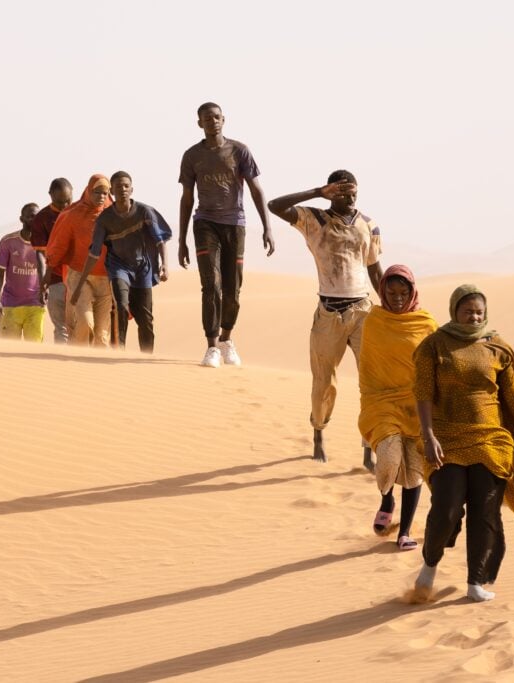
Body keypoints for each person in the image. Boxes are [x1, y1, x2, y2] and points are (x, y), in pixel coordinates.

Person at [411, 284, 514, 602]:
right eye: (468, 311)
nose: (474, 317)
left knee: (485, 511)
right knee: (446, 508)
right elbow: (421, 392)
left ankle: (476, 581)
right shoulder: (434, 345)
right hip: (447, 438)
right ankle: (430, 564)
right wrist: (428, 435)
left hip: (491, 440)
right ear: (454, 311)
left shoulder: (497, 347)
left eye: (479, 312)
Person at [268, 171, 383, 462]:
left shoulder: (369, 225)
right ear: (332, 192)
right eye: (342, 192)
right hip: (329, 312)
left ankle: (368, 448)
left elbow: (375, 269)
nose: (349, 197)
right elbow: (275, 206)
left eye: (352, 191)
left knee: (371, 382)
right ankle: (318, 433)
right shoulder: (313, 220)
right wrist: (318, 192)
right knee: (323, 383)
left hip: (362, 311)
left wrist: (393, 308)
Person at [178, 102, 275, 368]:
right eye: (207, 119)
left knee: (233, 289)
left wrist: (267, 226)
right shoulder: (191, 156)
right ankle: (211, 347)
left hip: (235, 224)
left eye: (217, 117)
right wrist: (181, 240)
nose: (213, 122)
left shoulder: (239, 151)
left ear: (224, 119)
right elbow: (187, 199)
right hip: (205, 223)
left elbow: (256, 190)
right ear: (199, 123)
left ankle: (226, 339)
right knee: (211, 285)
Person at [357, 265, 437, 551]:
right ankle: (387, 496)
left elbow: (437, 362)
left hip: (418, 406)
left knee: (414, 471)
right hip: (381, 402)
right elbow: (368, 369)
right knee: (389, 458)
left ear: (412, 291)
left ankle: (404, 532)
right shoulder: (374, 321)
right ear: (382, 291)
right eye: (391, 292)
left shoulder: (425, 322)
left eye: (403, 292)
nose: (398, 298)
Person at [69, 171, 172, 353]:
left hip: (143, 269)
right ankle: (120, 351)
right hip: (119, 267)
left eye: (126, 186)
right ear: (112, 193)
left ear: (132, 189)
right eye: (118, 187)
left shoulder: (144, 211)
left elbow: (160, 240)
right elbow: (94, 254)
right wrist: (77, 288)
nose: (122, 189)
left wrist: (165, 265)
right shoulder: (105, 219)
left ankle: (146, 356)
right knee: (122, 306)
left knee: (145, 318)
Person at [48, 174, 113, 346]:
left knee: (102, 333)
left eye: (105, 193)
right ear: (88, 191)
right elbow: (59, 243)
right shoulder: (73, 214)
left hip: (105, 278)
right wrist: (49, 269)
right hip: (78, 275)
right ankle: (75, 360)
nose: (101, 196)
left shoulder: (114, 214)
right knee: (85, 324)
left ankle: (97, 369)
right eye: (97, 192)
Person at [29, 178, 74, 343]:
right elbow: (40, 254)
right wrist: (43, 281)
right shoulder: (42, 218)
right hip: (55, 279)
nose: (64, 206)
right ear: (50, 195)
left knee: (81, 324)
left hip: (79, 279)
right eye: (59, 202)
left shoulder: (79, 212)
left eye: (68, 201)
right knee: (61, 327)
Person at [0, 202, 46, 342]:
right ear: (22, 219)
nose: (35, 220)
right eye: (31, 217)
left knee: (34, 351)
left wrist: (46, 291)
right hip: (10, 304)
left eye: (38, 217)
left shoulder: (45, 242)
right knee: (8, 350)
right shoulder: (8, 242)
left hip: (36, 304)